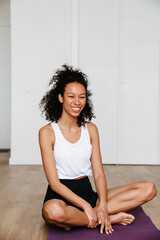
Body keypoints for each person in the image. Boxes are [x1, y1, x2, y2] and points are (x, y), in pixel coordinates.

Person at [39, 64, 157, 234]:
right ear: (60, 98)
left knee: (148, 189)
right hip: (61, 196)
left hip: (87, 191)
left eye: (82, 97)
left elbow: (99, 174)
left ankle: (91, 216)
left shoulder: (91, 129)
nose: (77, 102)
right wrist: (86, 205)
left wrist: (101, 204)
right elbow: (54, 183)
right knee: (53, 212)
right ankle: (102, 216)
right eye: (71, 96)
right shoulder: (47, 133)